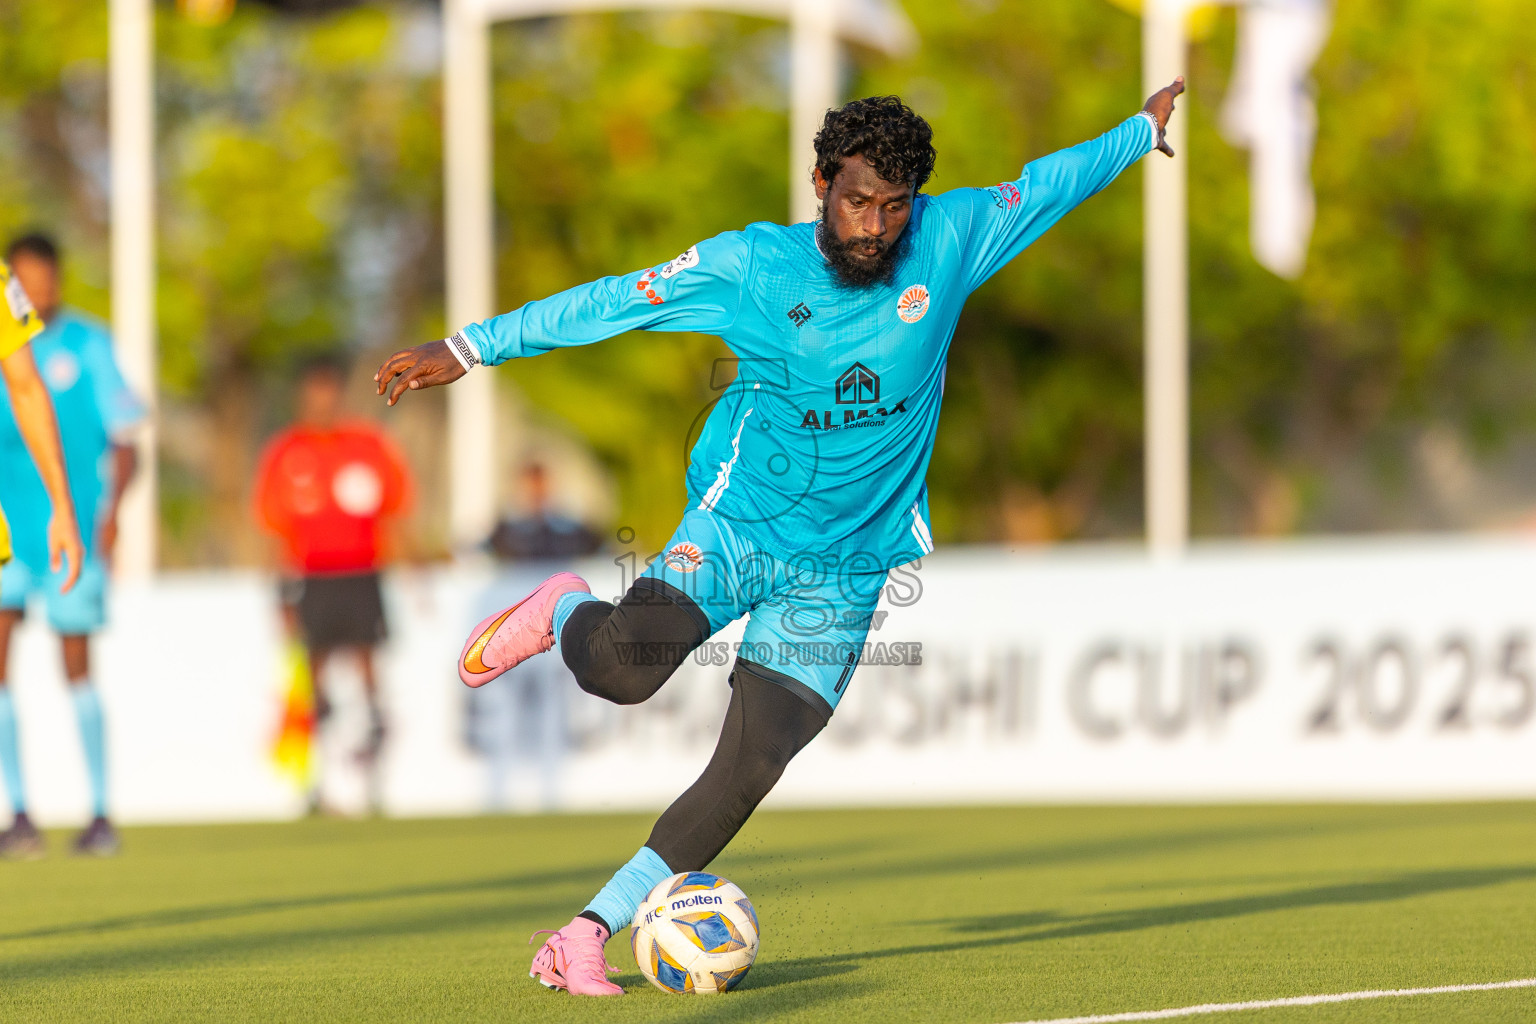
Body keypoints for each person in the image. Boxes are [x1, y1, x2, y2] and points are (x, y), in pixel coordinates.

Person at [376, 80, 1185, 995]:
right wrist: (474, 347)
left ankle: (584, 933)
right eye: (855, 201)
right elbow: (615, 300)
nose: (875, 226)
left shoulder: (951, 239)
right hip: (742, 524)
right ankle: (562, 604)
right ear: (818, 185)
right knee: (621, 673)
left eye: (893, 206)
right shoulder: (752, 268)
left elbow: (1047, 184)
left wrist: (1135, 131)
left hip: (849, 563)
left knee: (752, 760)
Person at [0, 235, 134, 858]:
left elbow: (125, 436)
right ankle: (19, 812)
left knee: (75, 662)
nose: (33, 288)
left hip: (64, 527)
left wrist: (95, 512)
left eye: (40, 278)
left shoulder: (89, 342)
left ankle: (100, 810)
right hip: (6, 529)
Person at [253, 354, 413, 815]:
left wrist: (415, 572)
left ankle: (375, 784)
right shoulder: (285, 451)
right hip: (312, 577)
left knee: (368, 675)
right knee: (314, 680)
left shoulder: (366, 444)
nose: (322, 400)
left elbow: (395, 513)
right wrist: (278, 594)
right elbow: (272, 529)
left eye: (329, 390)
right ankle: (315, 785)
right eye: (313, 391)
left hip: (362, 574)